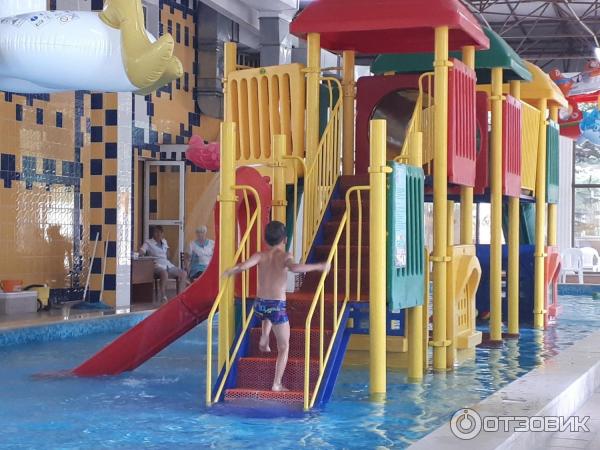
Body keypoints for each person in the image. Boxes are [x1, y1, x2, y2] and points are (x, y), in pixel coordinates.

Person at [223, 221, 329, 392]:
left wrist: (229, 271)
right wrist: (319, 266)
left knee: (267, 314)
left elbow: (243, 266)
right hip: (276, 306)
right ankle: (276, 384)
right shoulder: (285, 256)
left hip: (260, 304)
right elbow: (295, 268)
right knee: (284, 347)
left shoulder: (260, 255)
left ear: (265, 239)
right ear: (285, 239)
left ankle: (264, 336)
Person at [139, 225, 187, 303]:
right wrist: (141, 253)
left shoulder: (164, 241)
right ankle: (163, 296)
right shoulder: (148, 242)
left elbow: (168, 255)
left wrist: (167, 249)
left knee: (183, 273)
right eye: (156, 232)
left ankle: (180, 296)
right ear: (153, 233)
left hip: (167, 264)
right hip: (157, 265)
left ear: (162, 233)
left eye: (160, 232)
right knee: (164, 273)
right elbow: (142, 251)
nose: (158, 234)